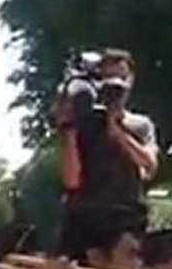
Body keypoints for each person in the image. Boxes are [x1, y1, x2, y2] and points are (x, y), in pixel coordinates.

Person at [56, 48, 158, 243]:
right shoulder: (83, 122)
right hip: (83, 220)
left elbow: (149, 166)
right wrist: (68, 129)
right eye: (109, 78)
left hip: (126, 219)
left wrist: (118, 132)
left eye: (122, 78)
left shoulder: (140, 125)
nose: (116, 86)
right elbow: (71, 180)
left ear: (132, 80)